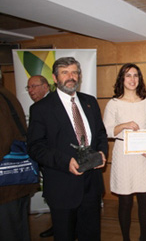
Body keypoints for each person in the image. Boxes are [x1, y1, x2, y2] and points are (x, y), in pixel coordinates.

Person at [27, 57, 108, 241]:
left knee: (91, 235)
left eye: (74, 72)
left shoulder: (90, 102)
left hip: (91, 185)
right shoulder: (41, 109)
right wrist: (65, 162)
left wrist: (102, 152)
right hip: (62, 186)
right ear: (55, 78)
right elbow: (35, 147)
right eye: (65, 73)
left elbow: (101, 134)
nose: (71, 77)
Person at [103, 63, 146, 241]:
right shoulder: (114, 103)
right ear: (122, 79)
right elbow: (107, 131)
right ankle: (126, 238)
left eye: (136, 75)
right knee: (125, 201)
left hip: (143, 156)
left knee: (144, 200)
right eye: (128, 75)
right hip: (123, 155)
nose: (132, 79)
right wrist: (125, 125)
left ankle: (144, 237)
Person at [0, 69, 38, 240]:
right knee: (19, 228)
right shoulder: (8, 95)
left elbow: (4, 139)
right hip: (18, 179)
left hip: (6, 184)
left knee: (9, 230)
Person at [26, 75, 53, 238]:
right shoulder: (35, 107)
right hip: (44, 159)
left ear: (46, 86)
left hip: (54, 160)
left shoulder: (50, 105)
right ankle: (56, 224)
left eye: (34, 86)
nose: (30, 91)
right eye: (28, 87)